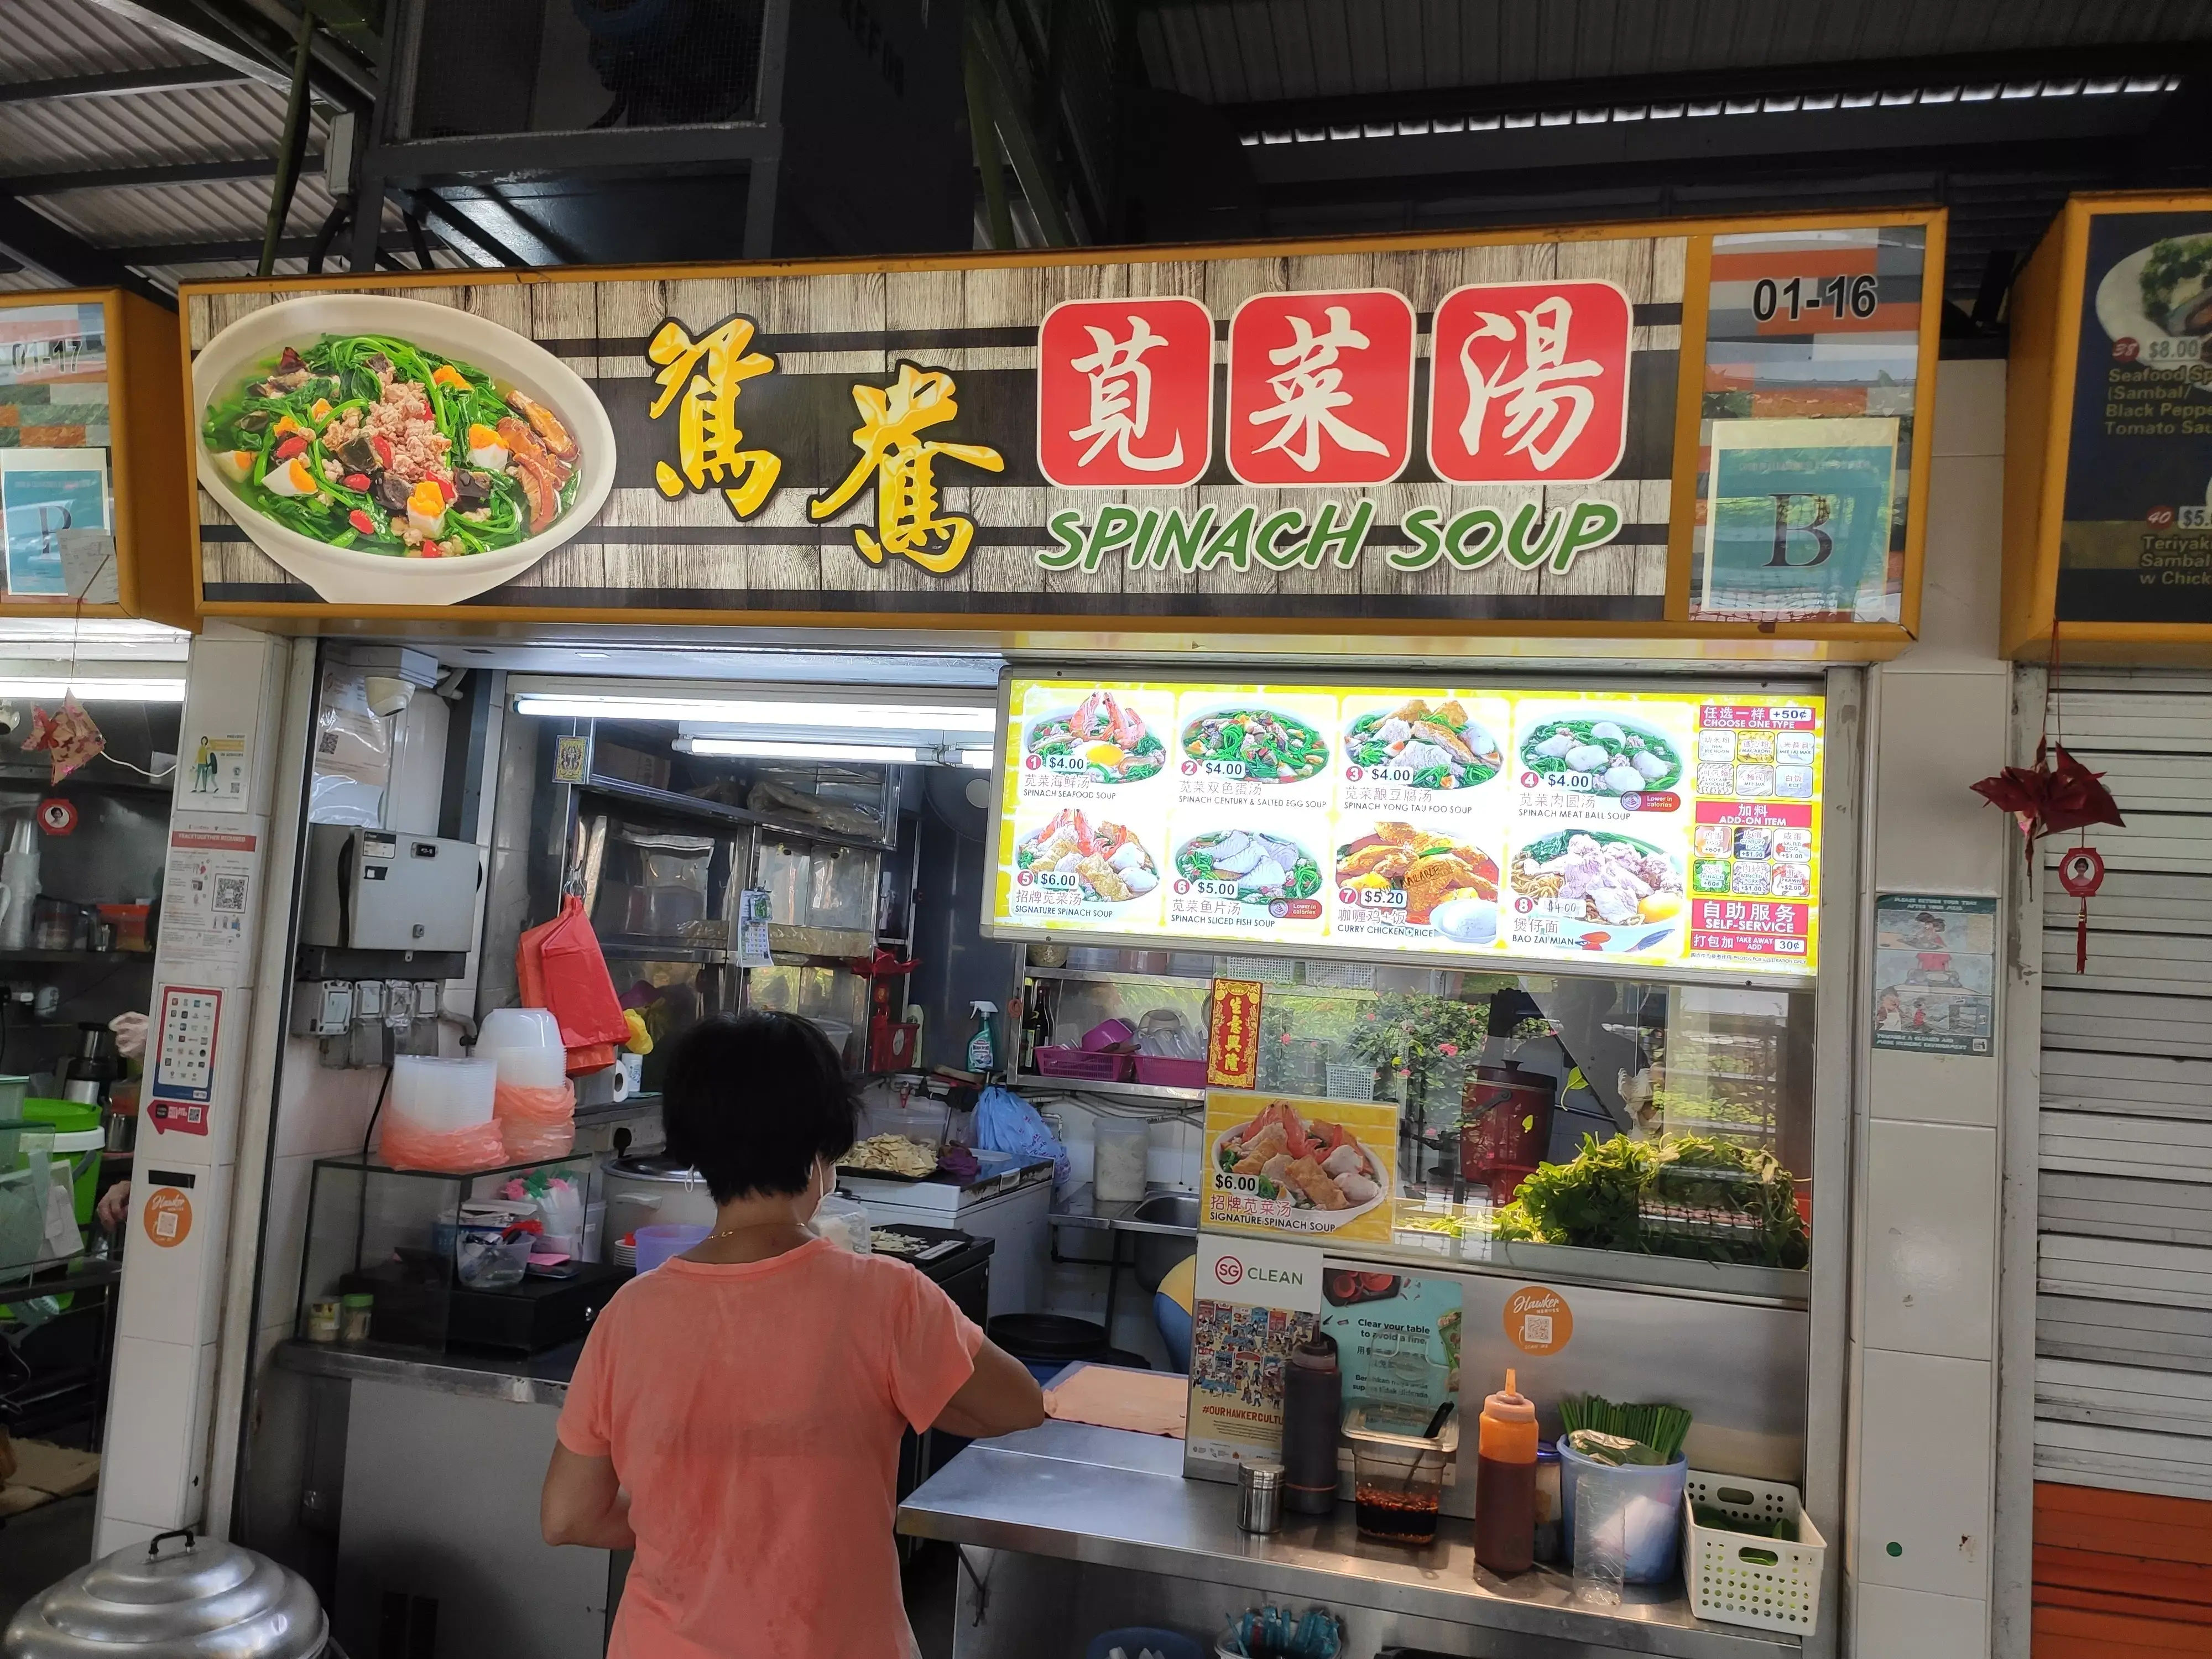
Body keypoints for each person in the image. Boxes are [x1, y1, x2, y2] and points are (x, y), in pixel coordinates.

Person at [539, 1011, 1044, 1657]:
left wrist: (696, 1531)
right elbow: (1019, 1405)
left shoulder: (629, 1314)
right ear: (822, 1153)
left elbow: (567, 1516)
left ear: (693, 1148)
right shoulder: (885, 1297)